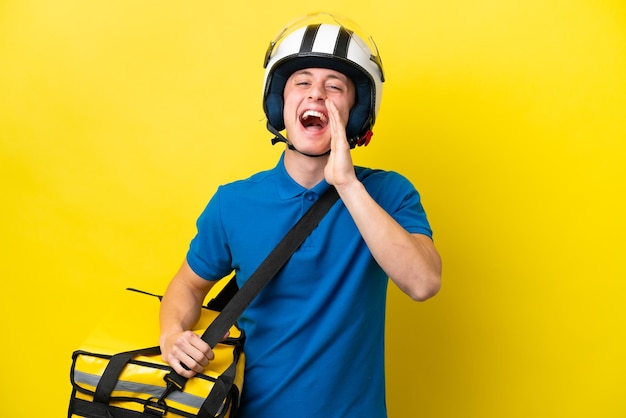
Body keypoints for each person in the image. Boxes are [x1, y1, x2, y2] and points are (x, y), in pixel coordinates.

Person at [159, 12, 442, 417]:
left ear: (357, 112)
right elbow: (186, 286)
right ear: (280, 103)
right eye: (302, 82)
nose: (317, 94)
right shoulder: (233, 202)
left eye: (335, 86)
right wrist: (172, 335)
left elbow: (423, 282)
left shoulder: (388, 193)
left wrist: (347, 184)